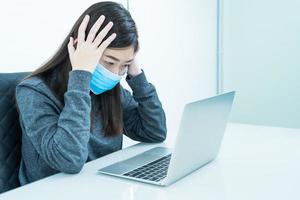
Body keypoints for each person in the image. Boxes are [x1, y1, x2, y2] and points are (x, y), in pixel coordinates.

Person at [15, 1, 167, 186]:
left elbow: (154, 132)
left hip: (101, 187)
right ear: (80, 49)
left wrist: (135, 72)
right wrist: (81, 75)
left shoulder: (110, 90)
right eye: (110, 61)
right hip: (52, 192)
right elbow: (69, 160)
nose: (115, 73)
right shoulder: (34, 91)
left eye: (124, 65)